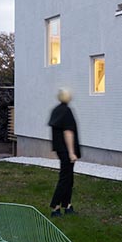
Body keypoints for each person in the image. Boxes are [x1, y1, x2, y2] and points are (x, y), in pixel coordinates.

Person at [49, 88, 80, 217]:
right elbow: (68, 132)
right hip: (66, 150)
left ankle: (67, 205)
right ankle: (55, 207)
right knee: (65, 178)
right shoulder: (66, 111)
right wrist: (71, 152)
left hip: (60, 149)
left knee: (69, 178)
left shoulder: (56, 110)